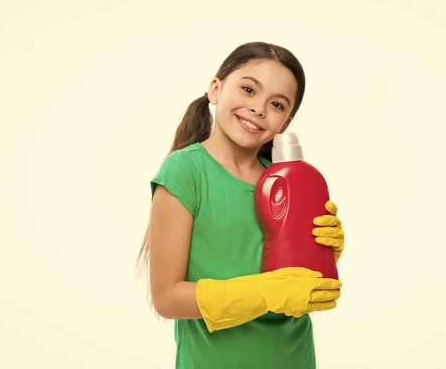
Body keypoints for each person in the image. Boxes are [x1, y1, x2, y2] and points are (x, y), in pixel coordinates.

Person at [136, 41, 347, 369]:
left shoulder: (287, 182)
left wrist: (325, 254)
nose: (259, 108)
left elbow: (296, 281)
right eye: (248, 89)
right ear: (215, 88)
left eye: (276, 104)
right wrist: (265, 293)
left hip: (294, 357)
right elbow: (167, 297)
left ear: (285, 124)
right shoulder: (185, 171)